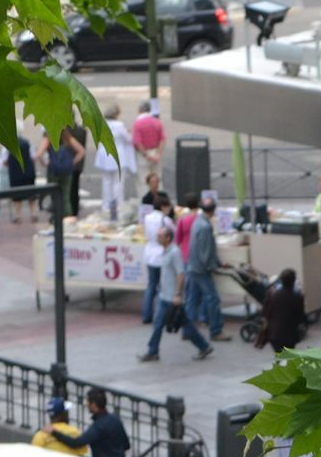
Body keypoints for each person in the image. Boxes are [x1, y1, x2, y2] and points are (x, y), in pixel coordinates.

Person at [136, 219, 211, 363]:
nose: (157, 238)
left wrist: (177, 294)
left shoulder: (175, 252)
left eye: (160, 236)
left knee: (185, 326)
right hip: (165, 297)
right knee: (159, 324)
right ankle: (153, 351)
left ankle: (203, 346)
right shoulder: (165, 251)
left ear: (168, 238)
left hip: (173, 299)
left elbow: (181, 274)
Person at [186, 194, 227, 342]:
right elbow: (206, 251)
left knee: (193, 299)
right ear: (213, 210)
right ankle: (216, 330)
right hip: (201, 269)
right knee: (212, 298)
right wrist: (212, 266)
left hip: (193, 266)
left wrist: (218, 262)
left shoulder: (198, 222)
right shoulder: (204, 226)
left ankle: (187, 330)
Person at [73, 387, 131, 457]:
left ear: (93, 404)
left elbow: (77, 443)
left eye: (87, 402)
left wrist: (55, 432)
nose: (86, 404)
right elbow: (126, 445)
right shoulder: (116, 420)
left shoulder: (98, 426)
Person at [95, 103, 131, 224]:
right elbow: (128, 139)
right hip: (118, 154)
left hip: (104, 154)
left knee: (106, 182)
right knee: (118, 182)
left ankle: (106, 206)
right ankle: (118, 205)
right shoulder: (119, 125)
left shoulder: (101, 124)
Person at [256, 268, 306, 351]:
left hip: (275, 334)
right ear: (293, 281)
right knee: (288, 357)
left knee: (279, 356)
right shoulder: (298, 297)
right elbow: (301, 315)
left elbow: (264, 312)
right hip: (291, 334)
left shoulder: (272, 294)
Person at [40, 126, 83, 220]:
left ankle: (56, 217)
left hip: (54, 170)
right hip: (67, 171)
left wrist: (44, 163)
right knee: (66, 196)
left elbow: (39, 154)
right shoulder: (67, 136)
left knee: (54, 195)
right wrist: (72, 162)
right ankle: (67, 217)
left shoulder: (49, 135)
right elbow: (81, 151)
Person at [132, 98, 166, 185]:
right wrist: (158, 154)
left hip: (144, 154)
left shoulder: (138, 123)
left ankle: (146, 197)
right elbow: (162, 139)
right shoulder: (157, 122)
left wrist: (146, 155)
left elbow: (138, 142)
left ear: (140, 110)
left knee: (144, 179)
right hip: (155, 151)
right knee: (157, 178)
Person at [4, 135, 37, 223]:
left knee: (17, 196)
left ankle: (18, 215)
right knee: (31, 194)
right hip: (28, 171)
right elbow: (33, 157)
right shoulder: (27, 142)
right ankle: (33, 213)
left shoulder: (9, 144)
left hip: (15, 173)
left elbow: (4, 160)